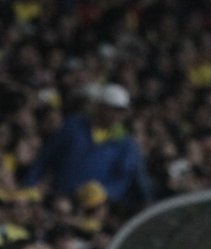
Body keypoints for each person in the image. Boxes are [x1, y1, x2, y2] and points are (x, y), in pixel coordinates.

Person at [25, 83, 152, 211]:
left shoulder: (125, 143)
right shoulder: (73, 126)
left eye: (120, 111)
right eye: (111, 109)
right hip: (58, 197)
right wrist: (30, 184)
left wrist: (106, 191)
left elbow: (124, 177)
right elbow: (46, 156)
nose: (115, 115)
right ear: (99, 106)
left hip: (93, 207)